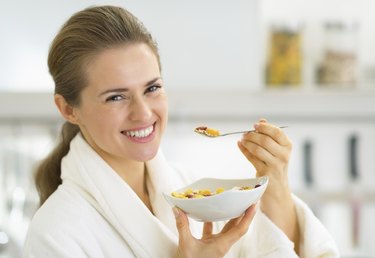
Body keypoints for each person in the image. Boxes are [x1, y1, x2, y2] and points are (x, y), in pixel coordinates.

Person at [22, 5, 339, 258]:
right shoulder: (56, 233)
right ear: (68, 109)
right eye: (116, 97)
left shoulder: (195, 193)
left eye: (152, 88)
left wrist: (276, 185)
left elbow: (278, 250)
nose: (143, 113)